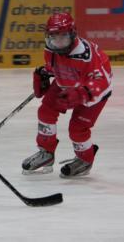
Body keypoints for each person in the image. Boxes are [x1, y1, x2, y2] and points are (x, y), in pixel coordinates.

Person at [22, 13, 112, 178]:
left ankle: (85, 160)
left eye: (63, 37)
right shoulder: (50, 49)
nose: (58, 42)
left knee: (77, 129)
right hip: (66, 83)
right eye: (53, 37)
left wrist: (81, 93)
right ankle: (46, 153)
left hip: (93, 93)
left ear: (72, 34)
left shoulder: (86, 54)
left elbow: (103, 81)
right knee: (45, 111)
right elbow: (56, 66)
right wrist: (44, 72)